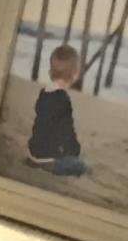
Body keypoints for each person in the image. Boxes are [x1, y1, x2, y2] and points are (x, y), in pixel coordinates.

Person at [27, 42, 89, 176]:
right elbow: (67, 132)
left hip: (32, 151)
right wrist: (75, 151)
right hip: (48, 159)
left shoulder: (44, 92)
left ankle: (34, 160)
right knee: (82, 165)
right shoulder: (62, 99)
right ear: (75, 74)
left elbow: (43, 121)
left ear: (50, 72)